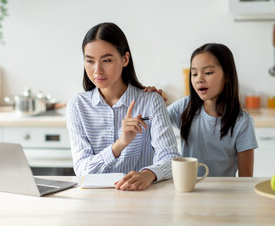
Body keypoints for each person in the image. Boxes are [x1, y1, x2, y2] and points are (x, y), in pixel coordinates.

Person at [66, 22, 180, 191]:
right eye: (90, 61)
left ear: (125, 59)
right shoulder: (77, 105)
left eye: (106, 60)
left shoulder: (151, 101)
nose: (97, 70)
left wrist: (149, 174)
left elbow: (170, 157)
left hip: (141, 198)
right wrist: (120, 144)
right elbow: (82, 170)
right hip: (94, 203)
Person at [144, 43, 258, 177]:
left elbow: (246, 178)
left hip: (224, 194)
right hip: (188, 189)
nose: (199, 79)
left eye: (208, 72)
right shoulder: (185, 106)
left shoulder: (242, 122)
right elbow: (151, 125)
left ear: (227, 75)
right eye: (194, 74)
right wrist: (153, 102)